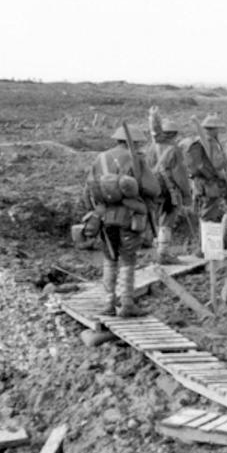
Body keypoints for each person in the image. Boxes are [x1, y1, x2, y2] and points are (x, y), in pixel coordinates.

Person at [84, 125, 161, 317]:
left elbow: (87, 192)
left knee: (110, 259)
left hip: (104, 217)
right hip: (129, 217)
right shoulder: (136, 160)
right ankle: (127, 303)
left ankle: (108, 303)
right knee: (128, 259)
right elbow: (154, 189)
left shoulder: (100, 158)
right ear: (134, 143)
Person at [185, 115, 227, 243]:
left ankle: (202, 247)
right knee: (210, 217)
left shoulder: (197, 142)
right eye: (217, 129)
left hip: (199, 185)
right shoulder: (210, 143)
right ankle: (210, 249)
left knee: (204, 215)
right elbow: (219, 164)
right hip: (210, 185)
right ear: (214, 129)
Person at [147, 110, 192, 264]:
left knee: (157, 220)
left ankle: (158, 251)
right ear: (174, 134)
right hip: (168, 189)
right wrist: (186, 194)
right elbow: (180, 175)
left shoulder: (151, 148)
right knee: (167, 221)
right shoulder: (174, 150)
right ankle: (163, 254)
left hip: (152, 187)